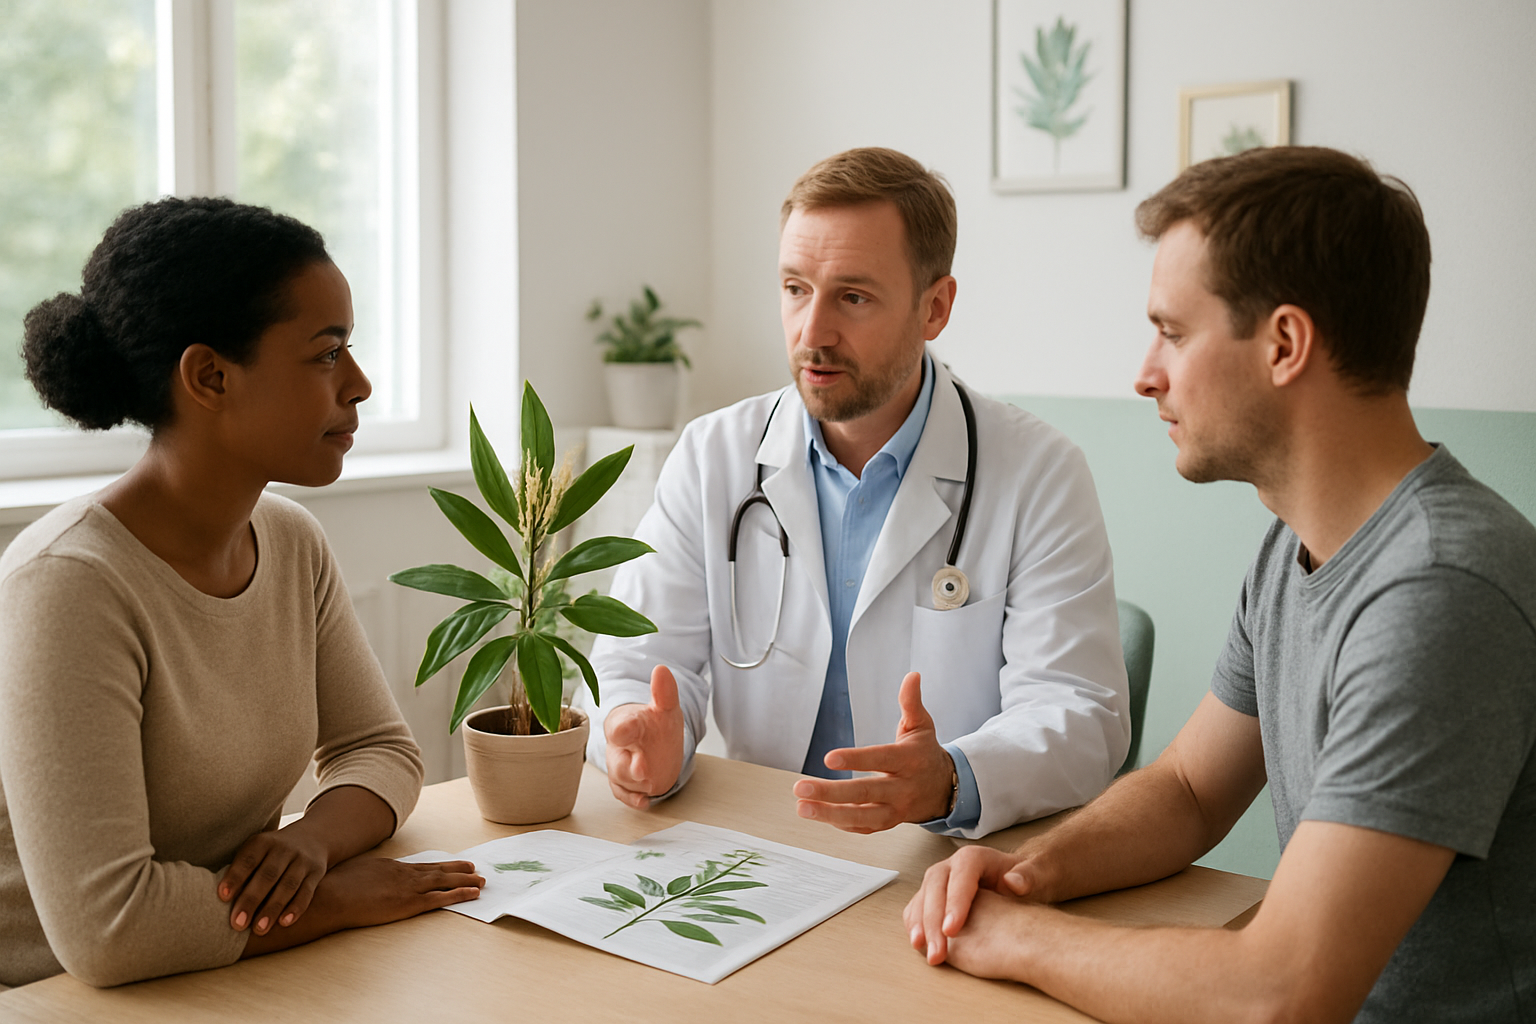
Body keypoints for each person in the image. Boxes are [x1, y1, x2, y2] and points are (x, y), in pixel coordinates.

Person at [905, 146, 1536, 1022]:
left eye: (1172, 330)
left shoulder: (1439, 591)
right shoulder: (1296, 546)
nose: (1144, 373)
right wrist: (1027, 872)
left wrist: (1013, 937)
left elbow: (1282, 992)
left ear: (1284, 344)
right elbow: (1190, 792)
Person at [0, 197, 483, 990]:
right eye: (326, 355)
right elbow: (108, 931)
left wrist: (313, 842)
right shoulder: (68, 588)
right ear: (210, 376)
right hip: (58, 997)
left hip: (217, 968)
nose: (359, 385)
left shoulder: (290, 541)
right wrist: (330, 900)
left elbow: (383, 751)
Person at [578, 147, 1130, 839]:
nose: (813, 333)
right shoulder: (713, 455)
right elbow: (633, 662)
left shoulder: (1039, 473)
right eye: (794, 288)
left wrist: (954, 776)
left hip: (938, 861)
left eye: (853, 297)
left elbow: (1080, 712)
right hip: (763, 848)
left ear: (935, 307)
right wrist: (638, 735)